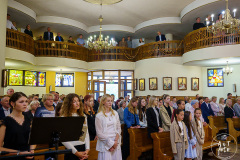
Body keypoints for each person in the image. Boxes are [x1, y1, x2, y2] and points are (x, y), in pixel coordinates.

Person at [0, 92, 36, 159]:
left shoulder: (29, 119)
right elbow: (0, 148)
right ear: (12, 104)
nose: (25, 104)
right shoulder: (5, 122)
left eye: (26, 101)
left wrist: (32, 150)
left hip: (28, 155)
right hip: (12, 156)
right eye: (21, 102)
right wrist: (19, 153)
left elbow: (33, 139)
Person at [61, 93, 90, 160]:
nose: (78, 103)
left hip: (83, 148)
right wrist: (76, 153)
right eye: (74, 102)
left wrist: (87, 149)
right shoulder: (64, 117)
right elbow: (63, 139)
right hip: (71, 149)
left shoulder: (83, 116)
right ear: (69, 104)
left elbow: (86, 133)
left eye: (78, 101)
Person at [95, 94, 122, 160]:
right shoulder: (99, 116)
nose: (110, 103)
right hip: (105, 143)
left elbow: (119, 128)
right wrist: (110, 144)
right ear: (103, 102)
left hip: (115, 142)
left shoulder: (115, 113)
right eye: (108, 101)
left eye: (111, 101)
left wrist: (115, 142)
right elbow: (99, 133)